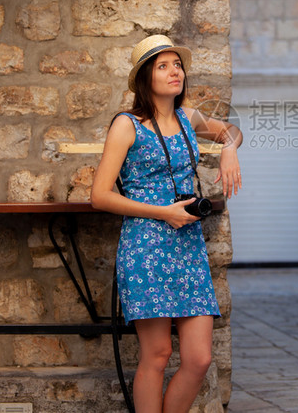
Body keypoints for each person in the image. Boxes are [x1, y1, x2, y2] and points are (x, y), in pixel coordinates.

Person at [91, 34, 243, 413]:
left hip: (187, 247)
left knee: (198, 359)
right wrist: (164, 212)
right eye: (163, 66)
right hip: (146, 246)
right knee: (157, 355)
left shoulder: (188, 118)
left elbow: (232, 130)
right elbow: (100, 195)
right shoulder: (128, 125)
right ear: (146, 77)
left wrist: (228, 149)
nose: (174, 71)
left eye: (177, 65)